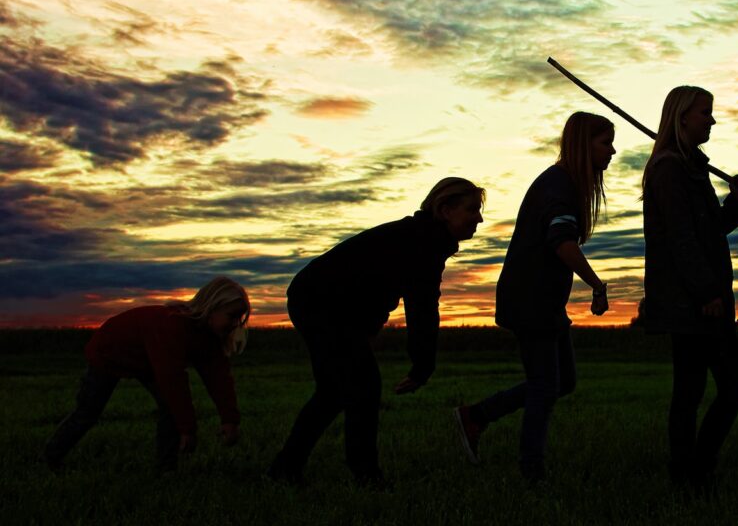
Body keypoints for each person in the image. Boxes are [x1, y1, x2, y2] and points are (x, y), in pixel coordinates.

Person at [268, 177, 485, 487]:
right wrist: (423, 365)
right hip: (319, 302)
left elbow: (375, 286)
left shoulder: (421, 237)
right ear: (445, 209)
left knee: (333, 392)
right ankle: (366, 476)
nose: (479, 218)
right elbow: (421, 307)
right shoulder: (424, 241)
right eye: (472, 209)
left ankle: (285, 468)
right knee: (363, 388)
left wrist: (369, 331)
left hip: (322, 302)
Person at [453, 111, 615, 482]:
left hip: (541, 301)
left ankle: (475, 416)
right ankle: (531, 470)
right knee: (545, 384)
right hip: (531, 301)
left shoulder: (565, 183)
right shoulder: (559, 186)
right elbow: (561, 241)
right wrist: (596, 284)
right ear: (582, 144)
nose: (612, 150)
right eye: (605, 142)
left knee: (563, 381)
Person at [641, 86, 738, 488]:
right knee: (726, 388)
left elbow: (708, 232)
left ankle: (689, 472)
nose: (712, 120)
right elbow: (681, 239)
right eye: (706, 112)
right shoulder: (670, 168)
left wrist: (735, 204)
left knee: (696, 390)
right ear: (683, 116)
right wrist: (707, 293)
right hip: (692, 302)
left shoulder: (690, 166)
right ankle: (693, 471)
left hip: (698, 298)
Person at [43, 276, 250, 472]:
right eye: (231, 316)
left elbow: (219, 377)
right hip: (109, 352)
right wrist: (188, 429)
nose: (235, 323)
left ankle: (166, 469)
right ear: (211, 308)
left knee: (170, 408)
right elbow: (173, 380)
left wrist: (230, 419)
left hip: (148, 359)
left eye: (239, 318)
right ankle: (49, 459)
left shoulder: (209, 337)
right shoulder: (171, 327)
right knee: (87, 413)